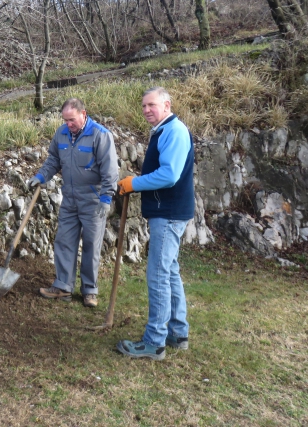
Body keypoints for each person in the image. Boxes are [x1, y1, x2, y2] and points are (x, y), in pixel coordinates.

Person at [115, 87, 195, 360]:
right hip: (170, 211)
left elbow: (169, 175)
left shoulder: (174, 131)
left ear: (167, 105)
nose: (147, 110)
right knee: (169, 271)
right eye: (144, 106)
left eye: (152, 105)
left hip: (169, 213)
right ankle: (177, 332)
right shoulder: (164, 130)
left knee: (158, 274)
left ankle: (154, 342)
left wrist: (133, 183)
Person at [27, 98, 118, 307]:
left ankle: (89, 291)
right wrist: (41, 177)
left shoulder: (100, 135)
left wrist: (106, 198)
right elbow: (53, 160)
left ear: (83, 114)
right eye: (65, 120)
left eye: (72, 119)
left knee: (91, 246)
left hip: (93, 200)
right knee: (64, 242)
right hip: (69, 199)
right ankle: (63, 287)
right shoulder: (61, 134)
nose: (69, 124)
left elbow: (110, 171)